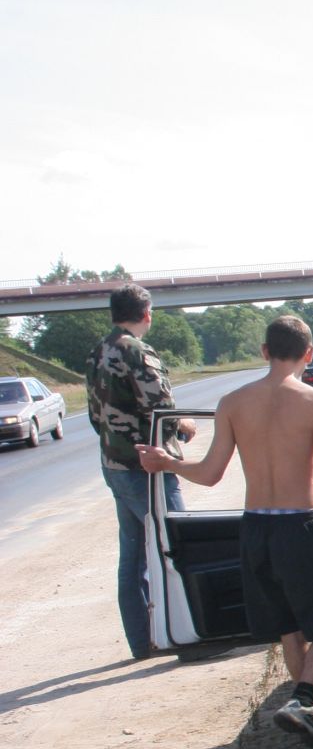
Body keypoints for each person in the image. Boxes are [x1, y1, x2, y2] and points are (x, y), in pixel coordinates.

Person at [137, 316, 313, 749]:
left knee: (289, 627)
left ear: (264, 352)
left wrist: (167, 463)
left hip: (256, 526)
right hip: (301, 523)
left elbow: (208, 473)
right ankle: (302, 700)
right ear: (309, 354)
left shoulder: (232, 401)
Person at [86, 283, 193, 661]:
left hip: (113, 465)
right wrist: (184, 427)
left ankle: (143, 641)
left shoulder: (98, 350)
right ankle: (189, 634)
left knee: (132, 559)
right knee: (177, 546)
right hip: (147, 467)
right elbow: (160, 407)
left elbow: (95, 417)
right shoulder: (137, 351)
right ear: (147, 313)